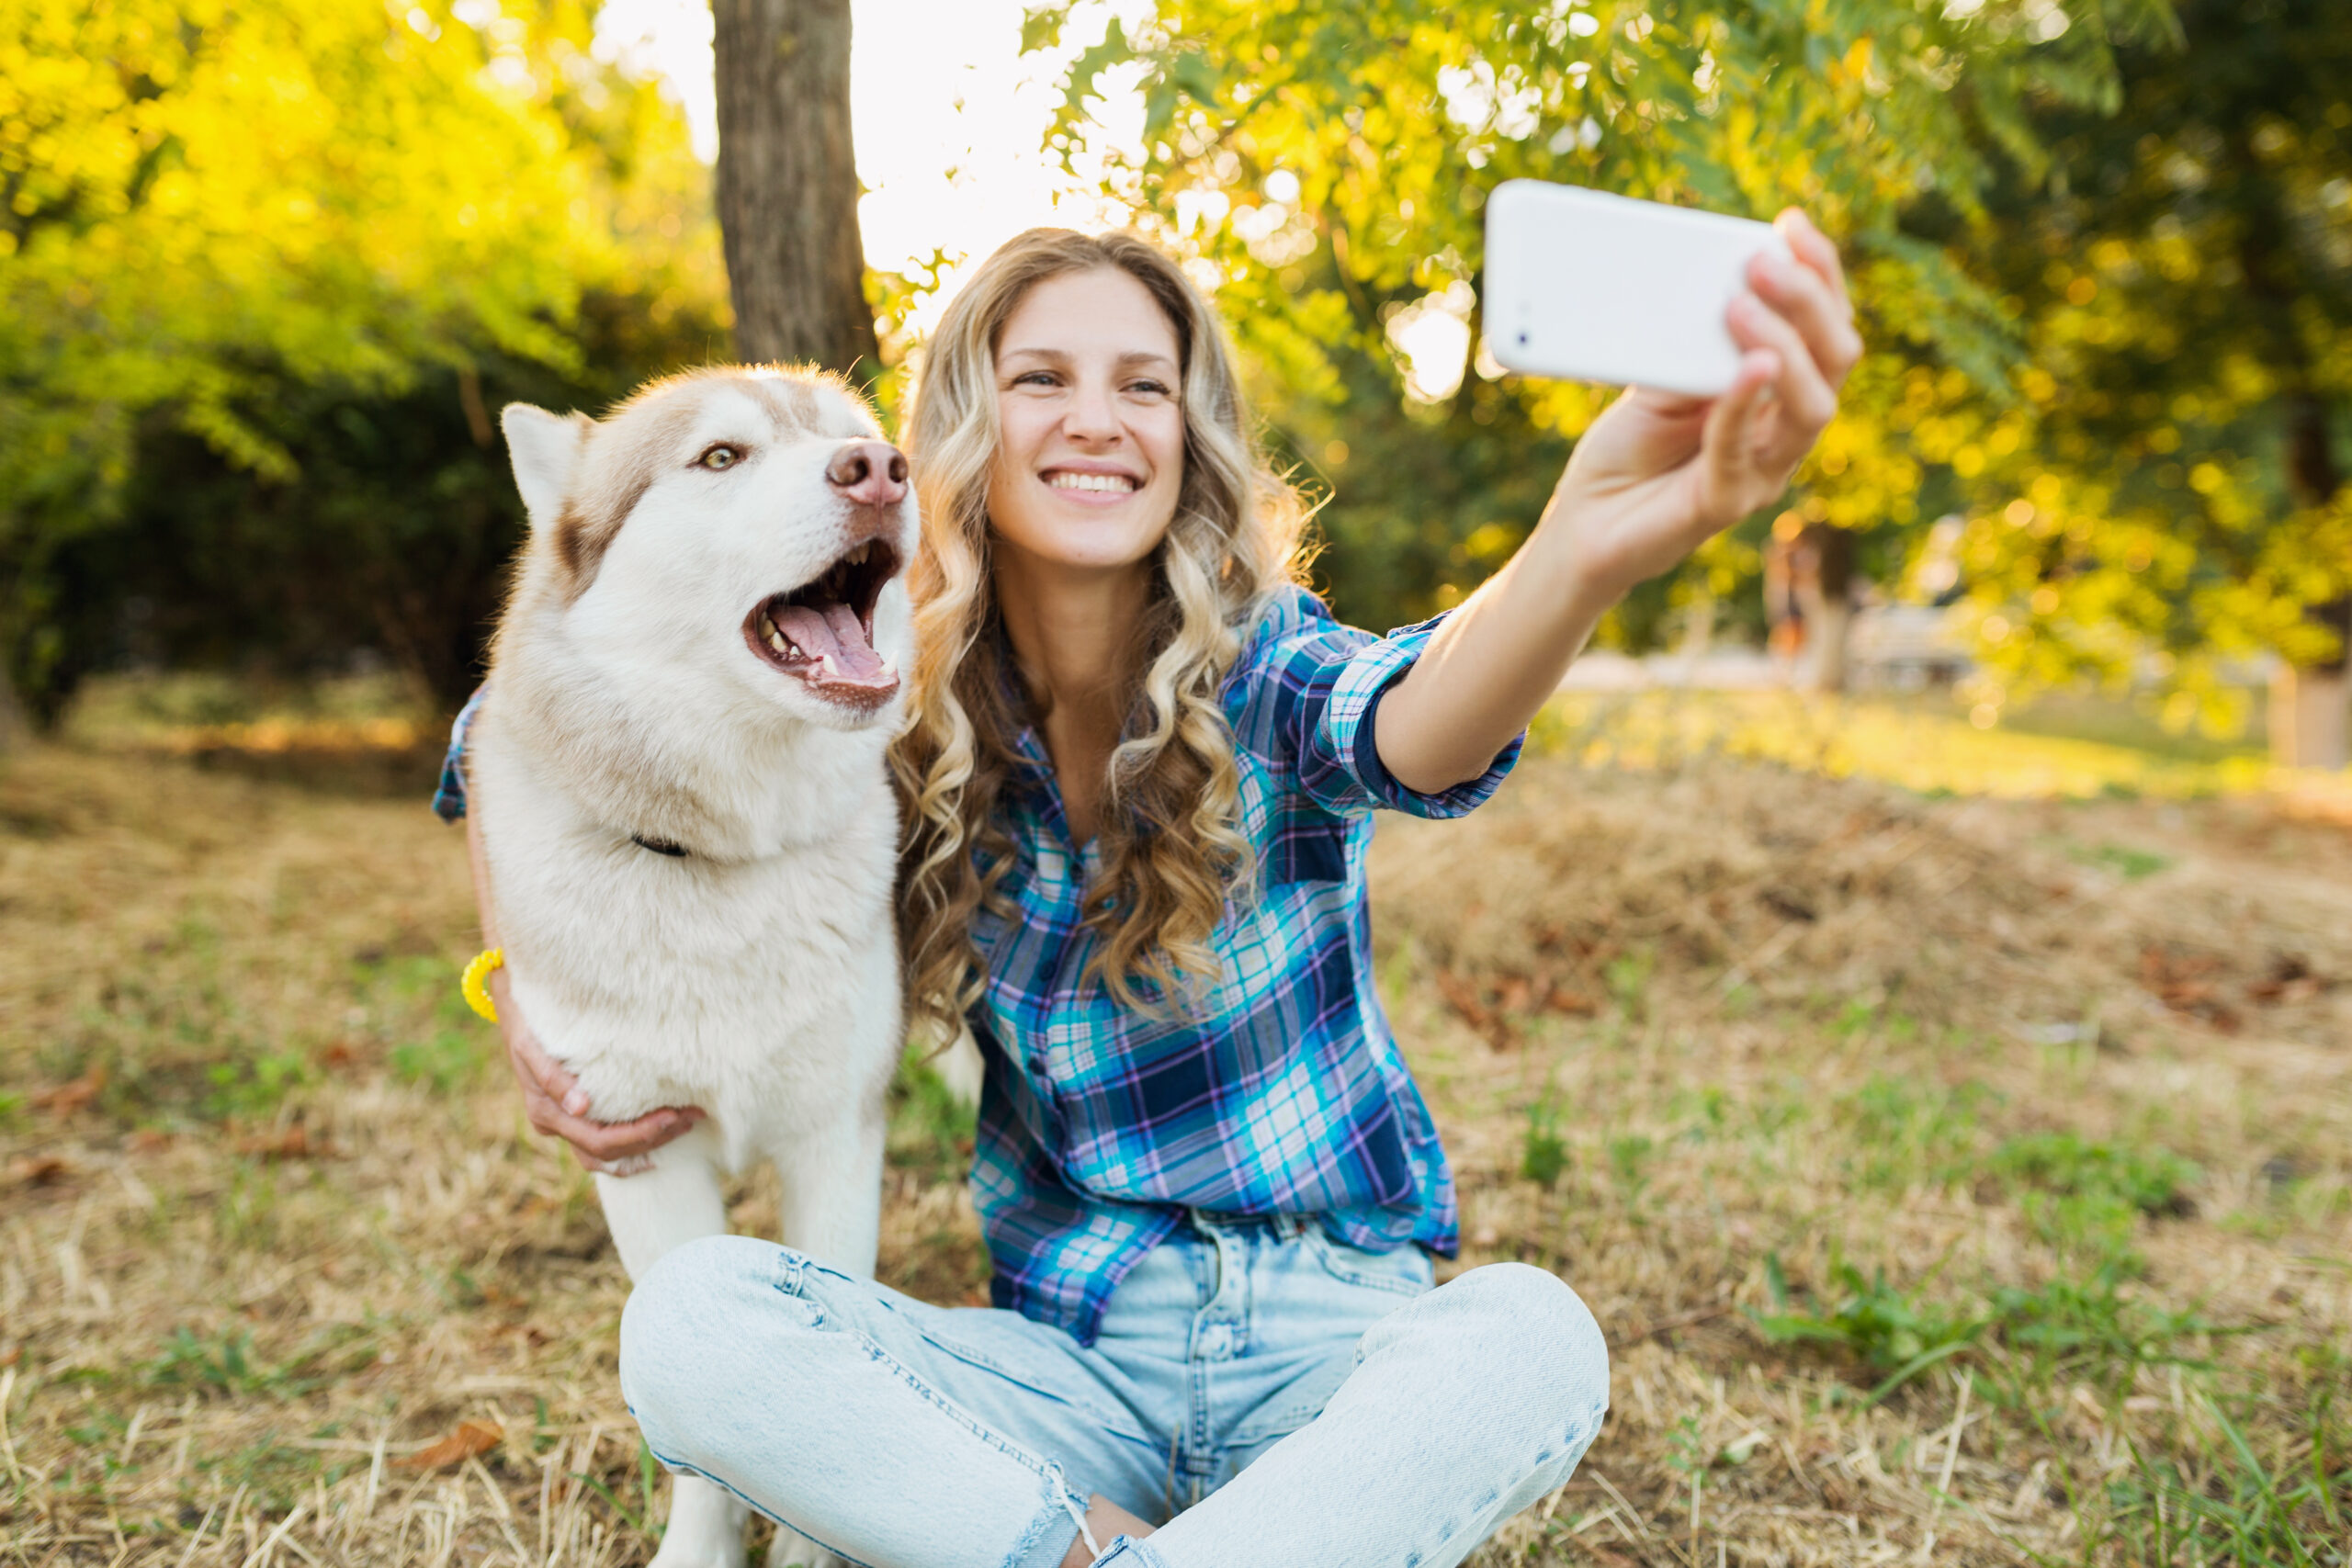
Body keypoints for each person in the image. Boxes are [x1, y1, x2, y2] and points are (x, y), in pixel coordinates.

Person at [440, 221, 1859, 1567]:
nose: (1098, 417)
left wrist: (1581, 550)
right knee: (691, 1322)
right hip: (1068, 1375)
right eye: (1042, 379)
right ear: (962, 436)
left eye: (1145, 385)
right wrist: (521, 993)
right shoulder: (896, 709)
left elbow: (1418, 718)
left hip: (1337, 1353)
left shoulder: (1263, 666)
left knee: (1532, 1338)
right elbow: (509, 733)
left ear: (1190, 437)